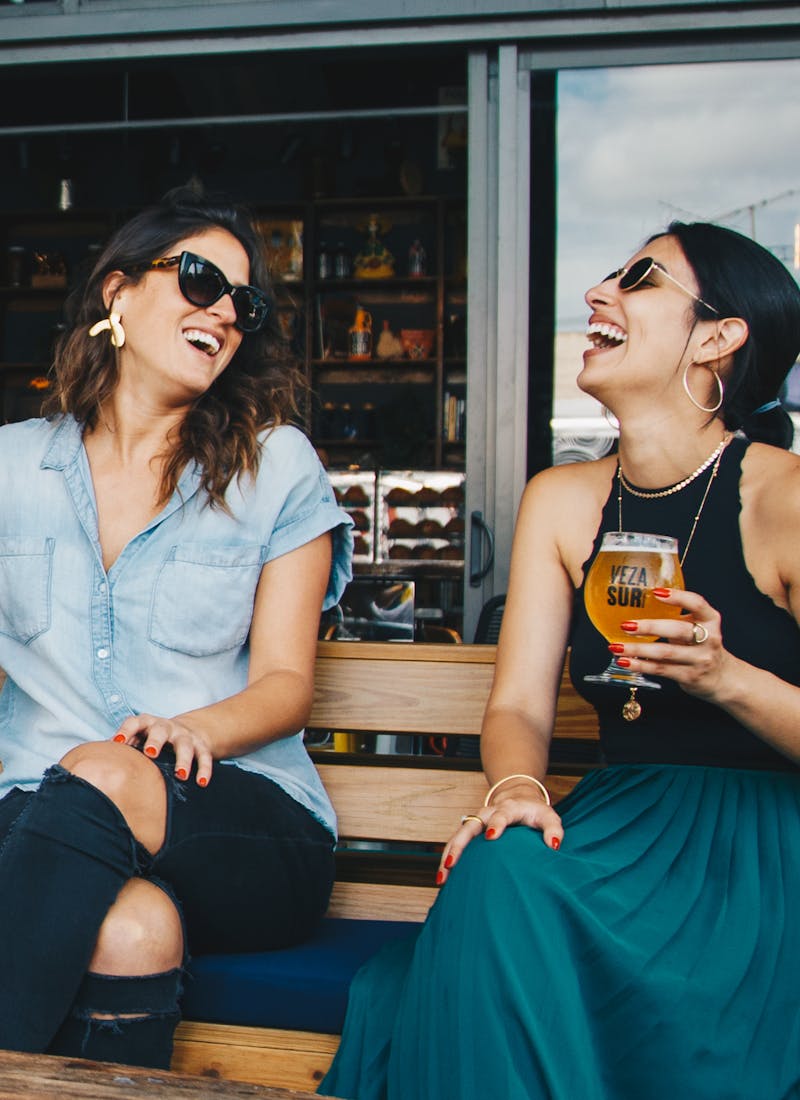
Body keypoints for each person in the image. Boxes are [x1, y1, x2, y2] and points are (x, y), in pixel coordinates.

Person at [320, 221, 800, 1100]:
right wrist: (516, 789)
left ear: (718, 339)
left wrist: (726, 678)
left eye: (641, 278)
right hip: (621, 830)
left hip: (764, 851)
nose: (598, 292)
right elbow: (518, 708)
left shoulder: (787, 497)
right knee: (498, 866)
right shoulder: (562, 499)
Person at [0, 184, 353, 1069]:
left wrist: (190, 730)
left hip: (234, 817)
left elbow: (287, 687)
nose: (225, 311)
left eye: (244, 303)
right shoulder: (9, 467)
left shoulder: (276, 466)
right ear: (118, 293)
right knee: (133, 930)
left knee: (108, 768)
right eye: (200, 280)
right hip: (39, 816)